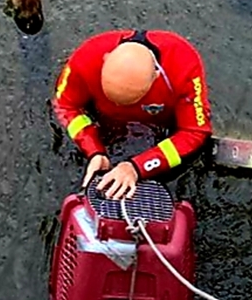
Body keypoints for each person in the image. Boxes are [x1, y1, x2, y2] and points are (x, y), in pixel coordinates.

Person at [52, 29, 212, 200]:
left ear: (156, 76)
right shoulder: (86, 57)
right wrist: (94, 149)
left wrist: (138, 167)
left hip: (159, 133)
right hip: (104, 126)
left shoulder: (183, 64)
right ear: (105, 59)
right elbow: (65, 105)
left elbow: (195, 131)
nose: (118, 107)